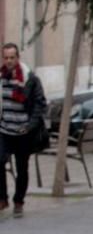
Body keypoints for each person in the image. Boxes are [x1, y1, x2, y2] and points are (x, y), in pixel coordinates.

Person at [0, 43, 47, 217]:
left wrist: (30, 125)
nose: (9, 61)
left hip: (23, 131)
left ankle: (18, 200)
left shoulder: (30, 79)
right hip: (4, 130)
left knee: (22, 169)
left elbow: (40, 103)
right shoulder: (1, 77)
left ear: (17, 58)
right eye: (6, 57)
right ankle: (2, 198)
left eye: (12, 57)